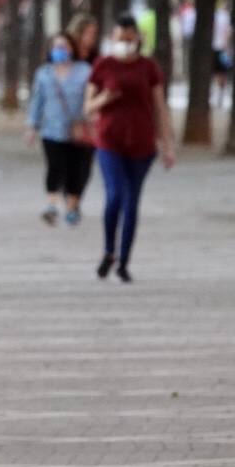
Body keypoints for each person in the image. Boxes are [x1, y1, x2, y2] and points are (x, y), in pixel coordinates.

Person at [84, 14, 176, 282]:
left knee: (132, 201)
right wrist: (105, 97)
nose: (125, 43)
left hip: (142, 144)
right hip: (109, 142)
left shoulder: (148, 67)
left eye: (129, 38)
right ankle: (108, 250)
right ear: (112, 38)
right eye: (120, 38)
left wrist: (167, 145)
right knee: (115, 195)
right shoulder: (103, 65)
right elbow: (87, 107)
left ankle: (124, 260)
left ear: (138, 38)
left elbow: (159, 107)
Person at [26, 32, 95, 226]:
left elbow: (91, 98)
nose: (60, 50)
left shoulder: (84, 71)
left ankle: (72, 206)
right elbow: (37, 101)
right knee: (54, 167)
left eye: (64, 46)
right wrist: (32, 126)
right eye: (56, 47)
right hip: (51, 130)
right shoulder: (44, 73)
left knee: (76, 169)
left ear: (72, 48)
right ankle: (51, 205)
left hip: (78, 130)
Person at [212, 0, 233, 107]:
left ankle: (218, 94)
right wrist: (227, 47)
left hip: (215, 47)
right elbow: (228, 33)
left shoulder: (217, 15)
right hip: (221, 47)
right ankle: (220, 95)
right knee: (222, 73)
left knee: (217, 73)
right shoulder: (226, 17)